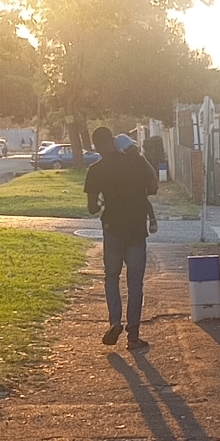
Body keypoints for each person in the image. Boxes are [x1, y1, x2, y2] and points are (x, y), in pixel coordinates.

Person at [85, 126, 159, 349]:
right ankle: (133, 336)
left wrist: (102, 202)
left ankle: (115, 322)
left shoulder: (95, 170)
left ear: (97, 144)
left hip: (112, 229)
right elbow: (152, 187)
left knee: (111, 277)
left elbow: (92, 208)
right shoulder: (135, 163)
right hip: (136, 230)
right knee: (135, 283)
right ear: (113, 140)